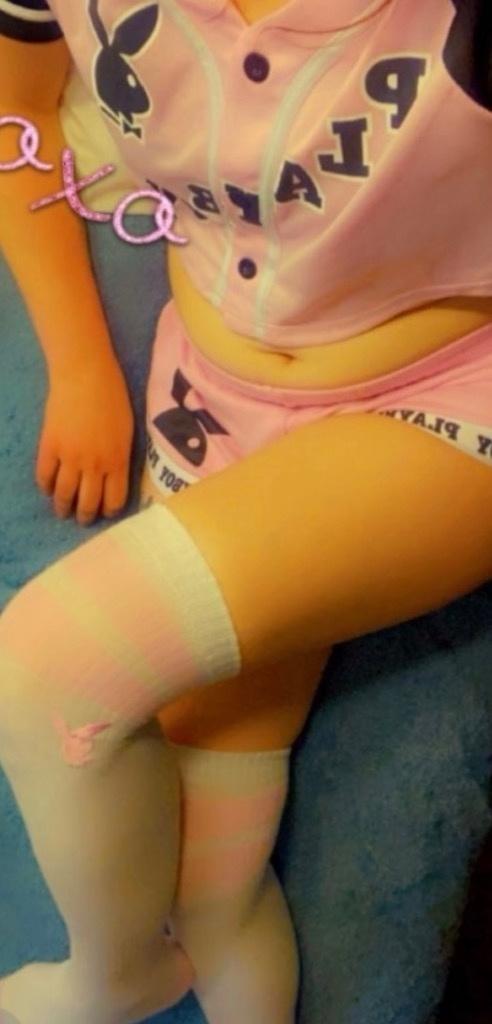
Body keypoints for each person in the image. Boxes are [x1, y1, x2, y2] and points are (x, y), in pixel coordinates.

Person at [0, 2, 492, 1022]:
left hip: (444, 397)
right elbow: (13, 110)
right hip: (212, 397)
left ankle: (111, 979)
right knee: (211, 884)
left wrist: (100, 980)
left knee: (51, 667)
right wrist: (81, 365)